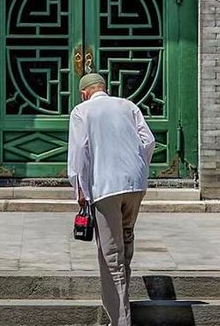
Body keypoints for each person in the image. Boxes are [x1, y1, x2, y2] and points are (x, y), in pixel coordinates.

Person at [67, 71, 155, 326]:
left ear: (85, 92)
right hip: (135, 185)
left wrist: (79, 188)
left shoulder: (82, 111)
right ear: (104, 88)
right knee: (126, 241)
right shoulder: (128, 106)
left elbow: (79, 151)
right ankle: (122, 307)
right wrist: (138, 167)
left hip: (105, 187)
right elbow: (148, 140)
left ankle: (120, 321)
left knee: (111, 255)